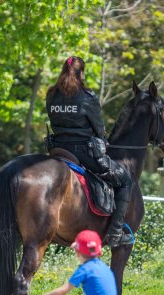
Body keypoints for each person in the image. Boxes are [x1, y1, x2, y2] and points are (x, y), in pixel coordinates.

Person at [45, 56, 133, 247]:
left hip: (58, 149)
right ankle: (116, 234)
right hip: (83, 151)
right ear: (81, 73)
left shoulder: (51, 94)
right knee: (125, 180)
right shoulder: (87, 97)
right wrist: (103, 141)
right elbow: (99, 129)